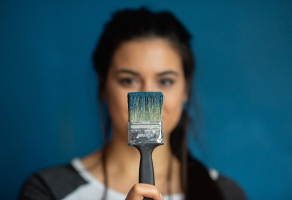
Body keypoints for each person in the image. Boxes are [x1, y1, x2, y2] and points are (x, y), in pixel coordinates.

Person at [18, 8, 247, 200]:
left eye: (165, 81)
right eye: (129, 80)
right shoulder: (48, 190)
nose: (147, 93)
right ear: (103, 87)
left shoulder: (225, 193)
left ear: (185, 90)